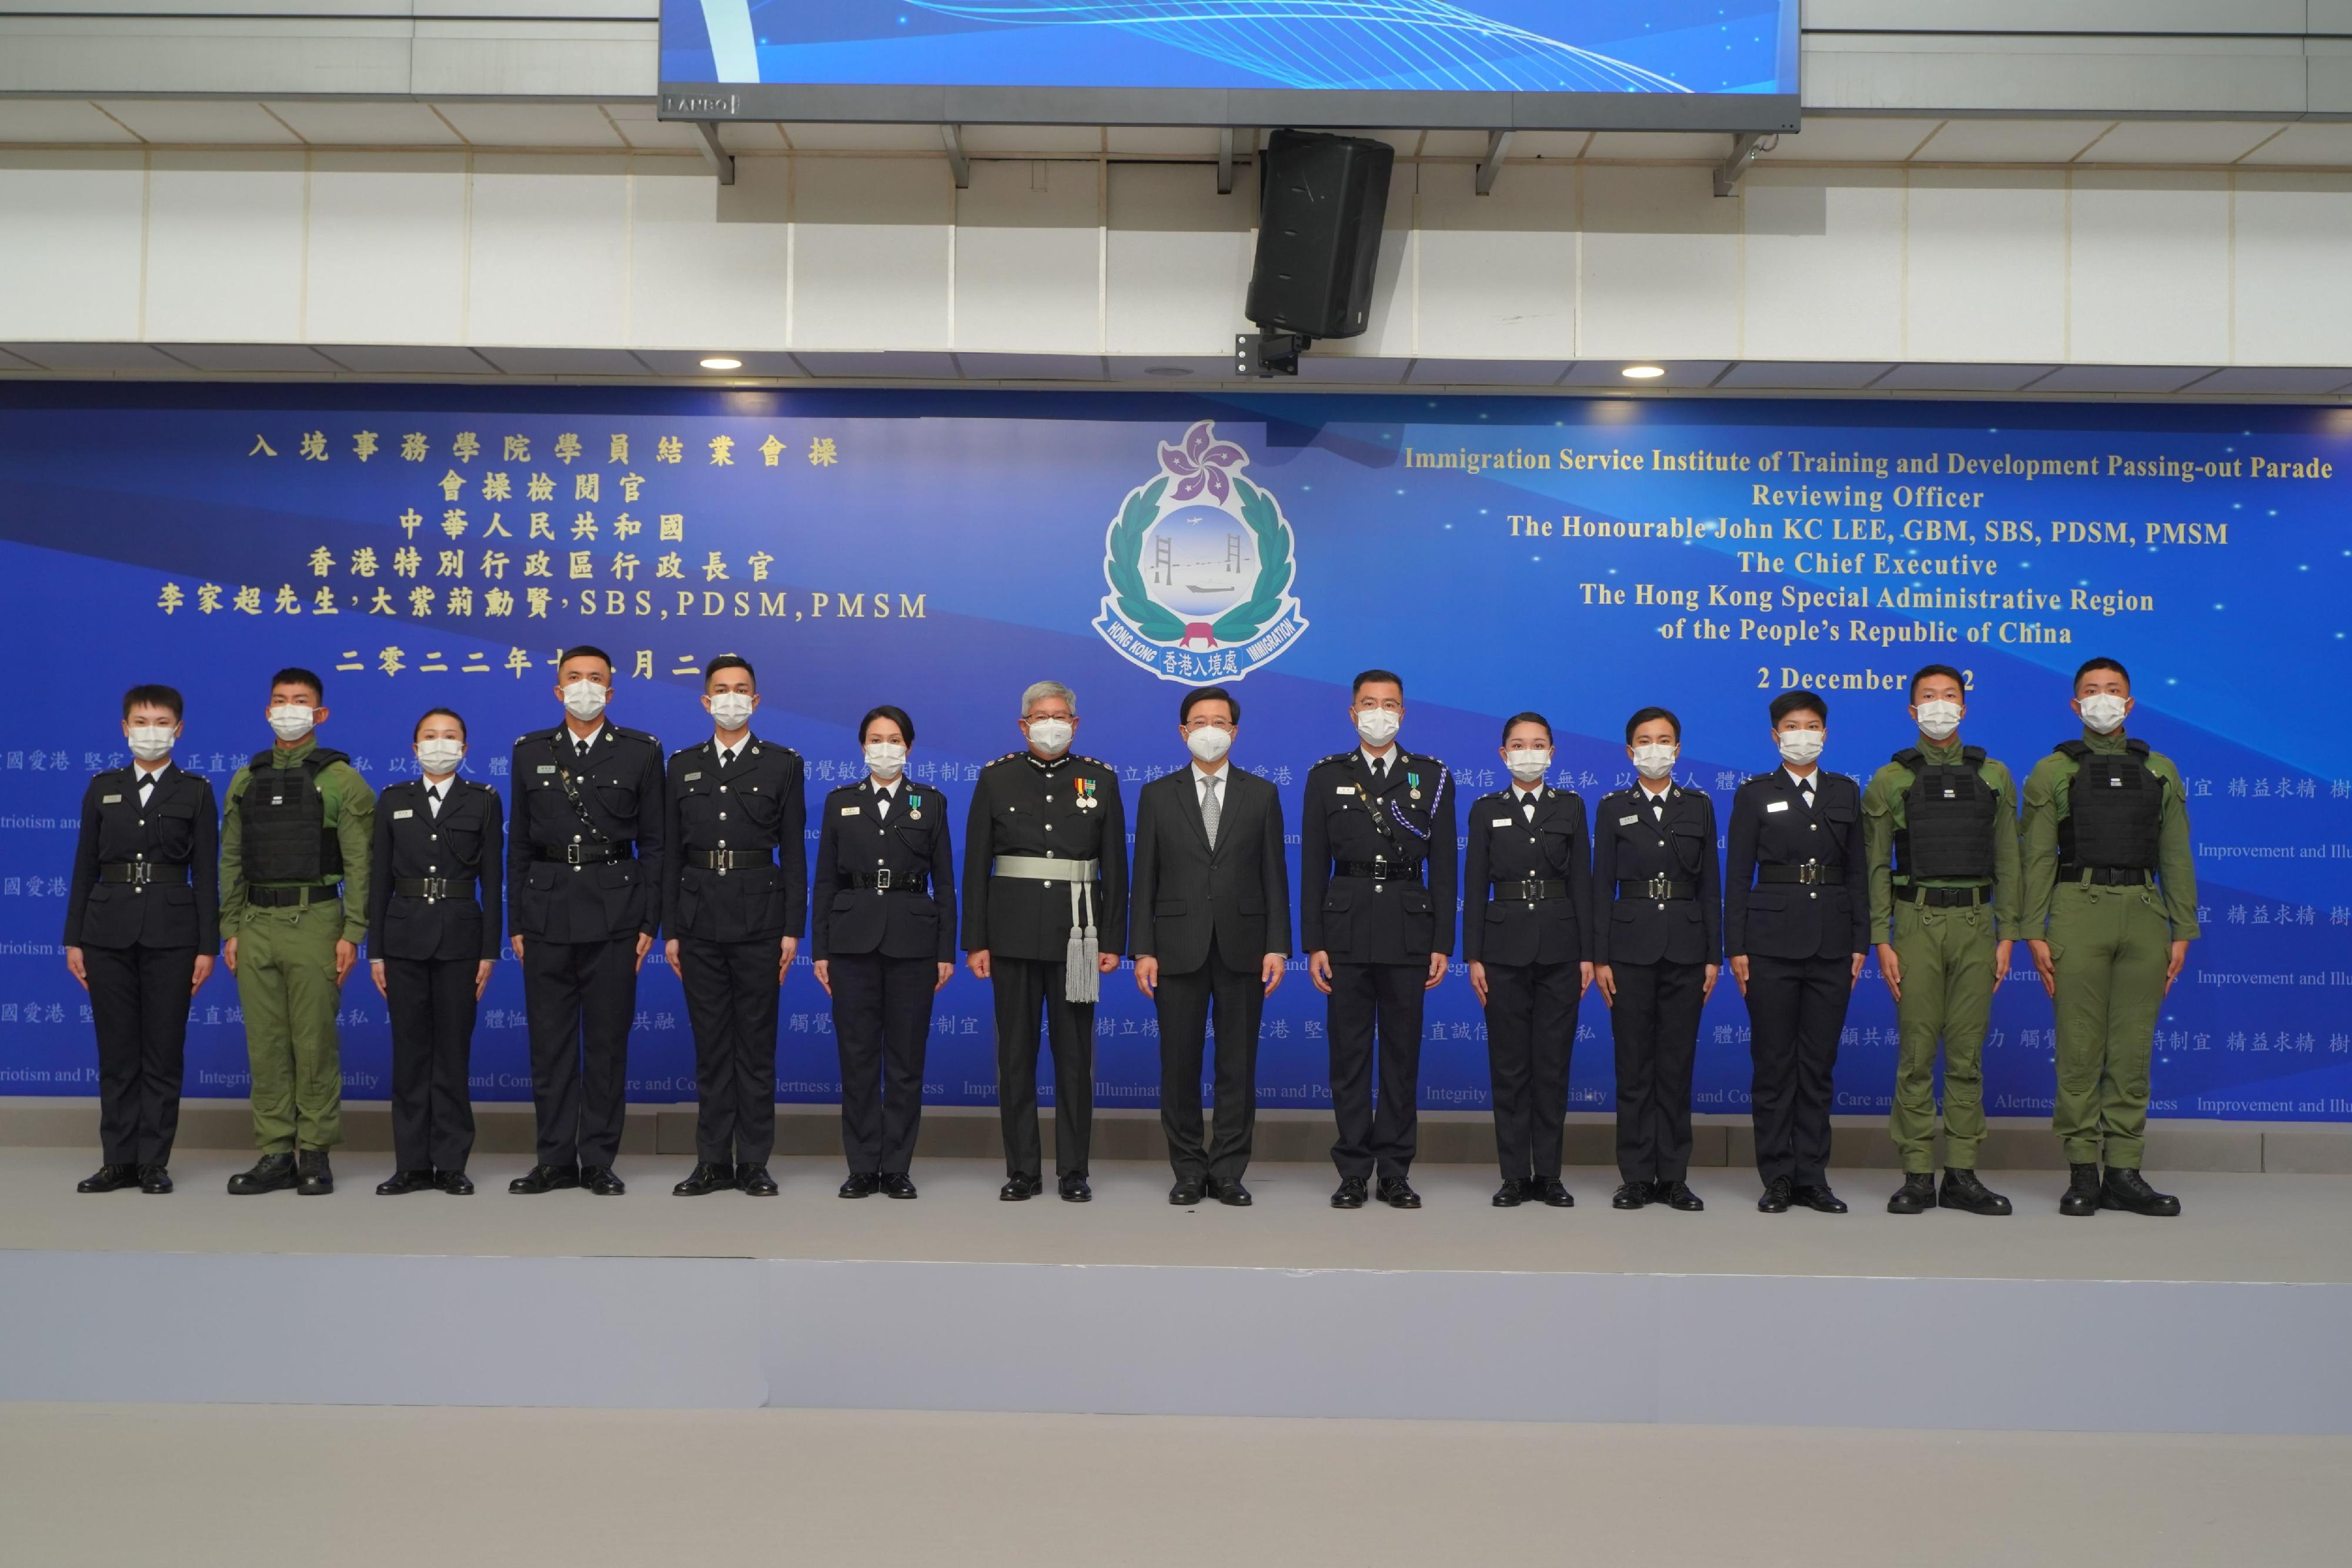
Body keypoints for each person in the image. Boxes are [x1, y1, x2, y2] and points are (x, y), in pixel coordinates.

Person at [2022, 657, 2197, 1218]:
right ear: (2076, 706)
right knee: (2078, 1048)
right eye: (2092, 691)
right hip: (2076, 910)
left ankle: (2124, 1171)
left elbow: (2175, 855)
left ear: (2130, 702)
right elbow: (2035, 859)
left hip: (2145, 913)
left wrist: (2182, 928)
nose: (2103, 699)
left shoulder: (2161, 770)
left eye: (2113, 690)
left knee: (2131, 1049)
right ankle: (2081, 1172)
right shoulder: (2053, 771)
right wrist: (2033, 931)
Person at [506, 645, 665, 1197]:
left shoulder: (641, 751)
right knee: (549, 1045)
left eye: (596, 678)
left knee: (605, 1043)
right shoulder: (529, 751)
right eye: (574, 677)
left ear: (611, 691)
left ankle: (598, 1157)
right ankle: (552, 1159)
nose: (585, 686)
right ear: (557, 690)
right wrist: (516, 921)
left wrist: (650, 918)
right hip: (545, 911)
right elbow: (519, 844)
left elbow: (655, 843)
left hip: (616, 913)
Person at [1863, 666, 2020, 1218]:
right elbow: (1877, 865)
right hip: (1916, 925)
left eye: (1949, 697)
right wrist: (1881, 938)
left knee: (1967, 1053)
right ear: (1912, 711)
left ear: (1965, 706)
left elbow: (2010, 860)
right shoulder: (1891, 780)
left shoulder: (1996, 776)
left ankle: (1960, 1173)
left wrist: (2009, 935)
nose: (1939, 706)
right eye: (1927, 698)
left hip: (1979, 925)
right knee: (1916, 1053)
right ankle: (1915, 1175)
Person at [962, 680, 1126, 1203]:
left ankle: (1073, 1171)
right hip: (1009, 937)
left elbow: (1117, 870)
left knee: (1075, 1056)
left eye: (1061, 716)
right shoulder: (996, 777)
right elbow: (975, 865)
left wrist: (1112, 938)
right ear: (1023, 724)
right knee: (1015, 1055)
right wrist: (976, 941)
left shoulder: (1099, 779)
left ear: (1075, 725)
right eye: (1041, 715)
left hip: (1078, 937)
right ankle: (1023, 1170)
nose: (1051, 724)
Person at [1301, 670, 1458, 1211]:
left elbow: (1445, 868)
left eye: (1389, 703)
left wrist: (1442, 940)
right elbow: (1312, 864)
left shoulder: (1432, 777)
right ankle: (1351, 1170)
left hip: (1408, 929)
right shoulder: (1326, 776)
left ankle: (1394, 1170)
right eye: (1369, 703)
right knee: (1347, 1057)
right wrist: (1314, 941)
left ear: (1403, 714)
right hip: (1343, 929)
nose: (1379, 712)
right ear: (1352, 713)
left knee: (1400, 1055)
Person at [1131, 685, 1290, 1208]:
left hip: (1245, 946)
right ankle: (1187, 1170)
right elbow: (1144, 878)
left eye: (1220, 721)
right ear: (1183, 731)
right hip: (1176, 946)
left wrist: (1277, 945)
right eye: (1199, 721)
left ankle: (1227, 1170)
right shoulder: (1158, 794)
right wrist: (1143, 948)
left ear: (1235, 731)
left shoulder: (1261, 793)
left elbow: (1274, 875)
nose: (1209, 729)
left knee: (1237, 1065)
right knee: (1178, 1063)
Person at [219, 667, 375, 1196]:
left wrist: (352, 931)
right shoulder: (245, 779)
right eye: (281, 701)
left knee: (313, 1042)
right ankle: (274, 1152)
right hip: (255, 923)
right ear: (268, 711)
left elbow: (361, 861)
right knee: (264, 1043)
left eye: (301, 701)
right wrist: (230, 927)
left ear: (320, 714)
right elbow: (232, 859)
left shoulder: (342, 780)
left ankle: (315, 1152)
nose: (290, 709)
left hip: (316, 920)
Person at [62, 684, 218, 1195]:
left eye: (160, 721)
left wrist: (206, 945)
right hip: (106, 932)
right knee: (117, 1050)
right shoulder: (102, 787)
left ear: (179, 729)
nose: (150, 731)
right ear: (124, 727)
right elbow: (85, 866)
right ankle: (117, 1160)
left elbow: (207, 874)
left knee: (163, 1049)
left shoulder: (196, 791)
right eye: (140, 721)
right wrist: (74, 939)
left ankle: (153, 1161)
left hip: (173, 935)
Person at [662, 655, 806, 1198]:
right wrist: (671, 928)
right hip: (698, 919)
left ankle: (754, 1163)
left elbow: (793, 852)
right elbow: (671, 850)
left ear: (756, 701)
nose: (730, 697)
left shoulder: (782, 763)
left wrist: (792, 928)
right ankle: (710, 1162)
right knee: (711, 1046)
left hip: (760, 920)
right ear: (705, 701)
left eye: (741, 689)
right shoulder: (682, 764)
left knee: (755, 1045)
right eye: (720, 689)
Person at [1726, 689, 1867, 1215]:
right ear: (1775, 735)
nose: (1802, 733)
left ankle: (1813, 1176)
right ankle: (1777, 1176)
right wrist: (1736, 945)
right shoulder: (1754, 793)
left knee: (1818, 1064)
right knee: (1773, 1062)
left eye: (1811, 725)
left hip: (1831, 943)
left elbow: (1857, 872)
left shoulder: (1845, 792)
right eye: (1791, 725)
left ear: (1824, 734)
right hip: (1769, 945)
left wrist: (1858, 941)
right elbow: (1737, 875)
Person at [812, 705, 956, 1200]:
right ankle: (860, 1166)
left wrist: (946, 950)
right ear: (862, 746)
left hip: (914, 943)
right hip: (851, 942)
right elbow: (825, 881)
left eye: (894, 739)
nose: (885, 747)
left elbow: (946, 883)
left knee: (905, 1059)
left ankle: (896, 1166)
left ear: (909, 748)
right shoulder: (839, 801)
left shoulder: (930, 802)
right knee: (856, 1058)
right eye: (876, 738)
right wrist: (821, 949)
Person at [365, 708, 501, 1196]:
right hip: (403, 940)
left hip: (462, 939)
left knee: (451, 1053)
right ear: (413, 746)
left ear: (465, 748)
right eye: (429, 736)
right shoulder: (393, 799)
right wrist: (375, 951)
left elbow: (493, 880)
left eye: (450, 737)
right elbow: (379, 879)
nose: (439, 743)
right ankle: (411, 1164)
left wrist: (490, 951)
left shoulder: (483, 799)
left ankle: (451, 1163)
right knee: (410, 1054)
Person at [1462, 713, 1591, 1208]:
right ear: (1503, 754)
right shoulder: (1485, 808)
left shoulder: (1572, 807)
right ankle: (1514, 1174)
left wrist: (1586, 954)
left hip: (1561, 949)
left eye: (1538, 744)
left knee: (1553, 1066)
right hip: (1502, 952)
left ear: (1552, 752)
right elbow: (1474, 886)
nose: (1528, 751)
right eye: (1519, 744)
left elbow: (1583, 881)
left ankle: (1551, 1176)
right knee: (1510, 1066)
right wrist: (1474, 955)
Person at [1592, 707, 1718, 1212]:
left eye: (1664, 739)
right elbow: (1600, 885)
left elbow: (1711, 885)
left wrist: (1714, 954)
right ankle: (1636, 1176)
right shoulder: (1612, 806)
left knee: (1676, 1066)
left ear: (1678, 749)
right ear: (1630, 751)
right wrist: (1599, 956)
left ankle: (1675, 1177)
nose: (1655, 747)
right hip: (1628, 951)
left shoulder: (1700, 805)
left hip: (1686, 949)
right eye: (1645, 740)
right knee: (1634, 1066)